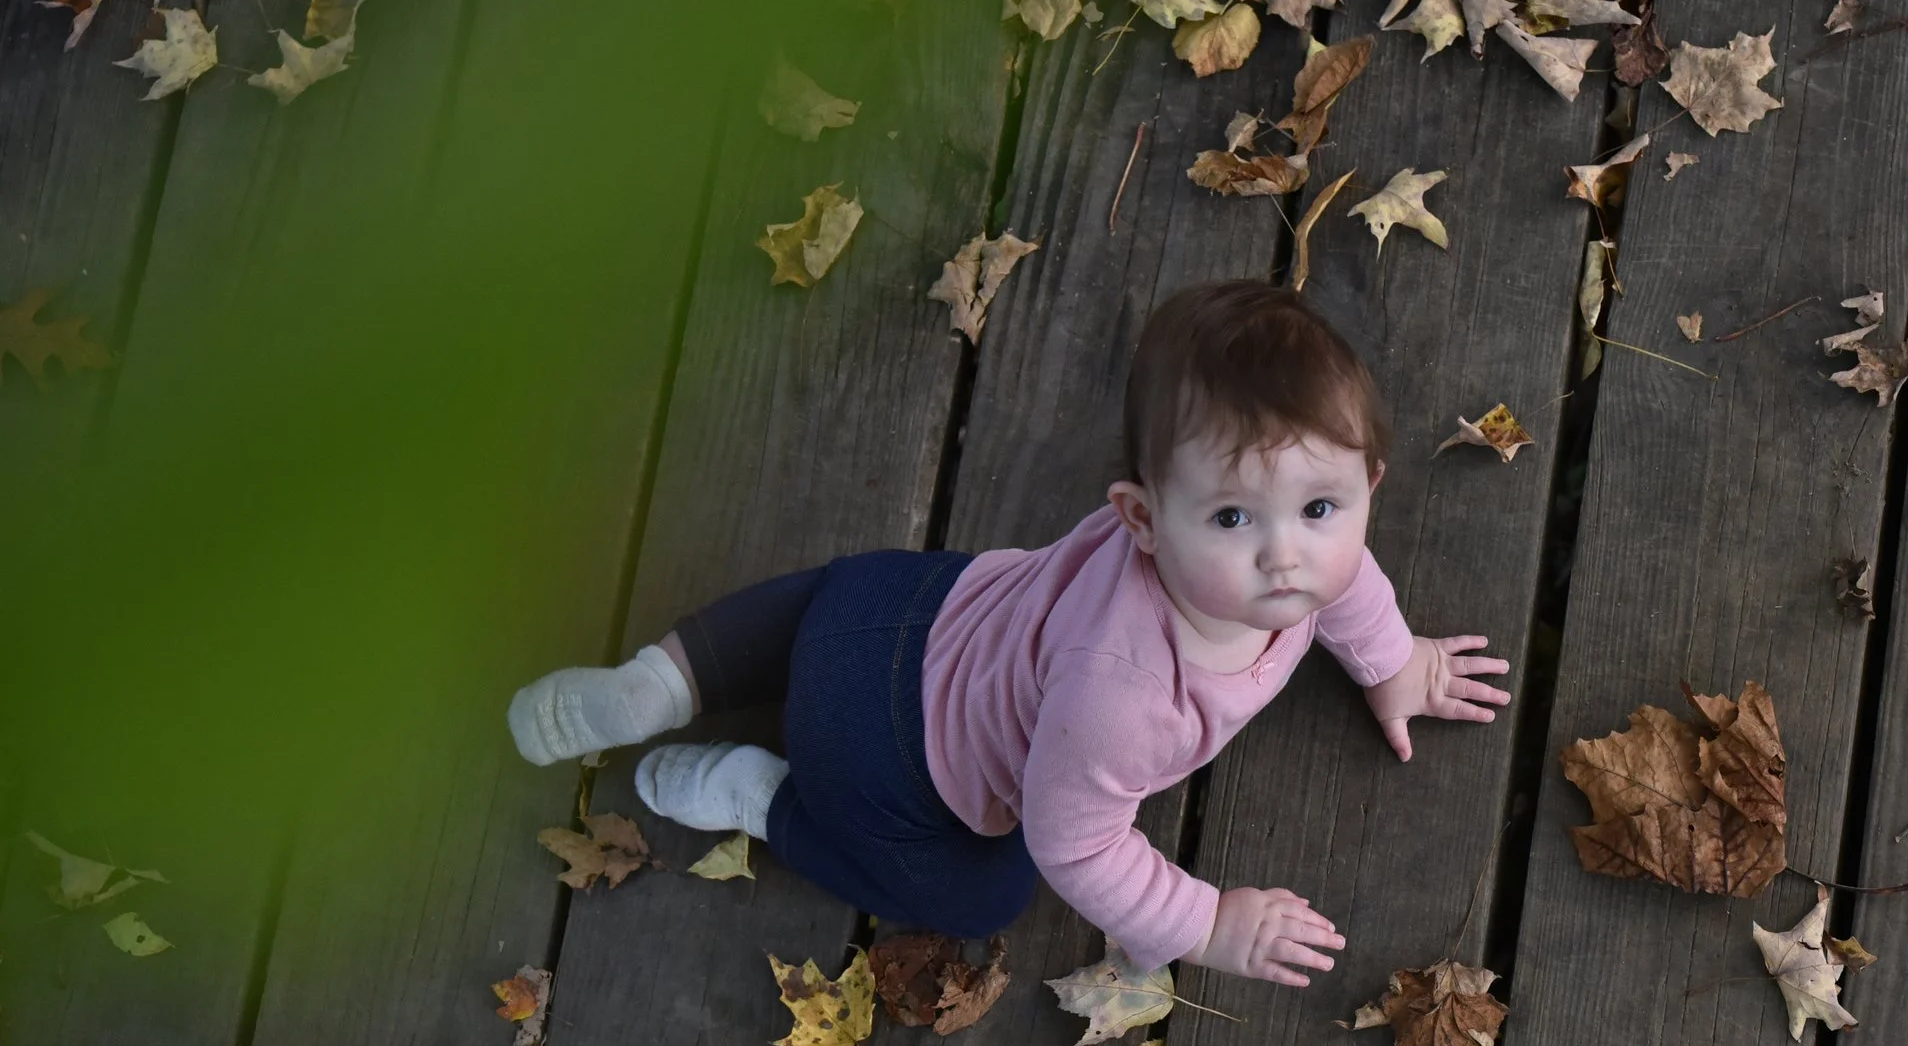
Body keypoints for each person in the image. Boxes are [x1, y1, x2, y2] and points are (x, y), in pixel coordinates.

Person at [503, 281, 1510, 987]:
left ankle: (664, 676)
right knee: (984, 892)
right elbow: (1077, 844)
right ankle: (767, 799)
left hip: (905, 610)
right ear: (1143, 519)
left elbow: (1350, 588)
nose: (1285, 558)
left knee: (821, 602)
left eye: (1320, 509)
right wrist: (1206, 922)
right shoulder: (1122, 700)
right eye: (1233, 519)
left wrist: (1395, 663)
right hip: (888, 767)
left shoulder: (1297, 570)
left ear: (1367, 483)